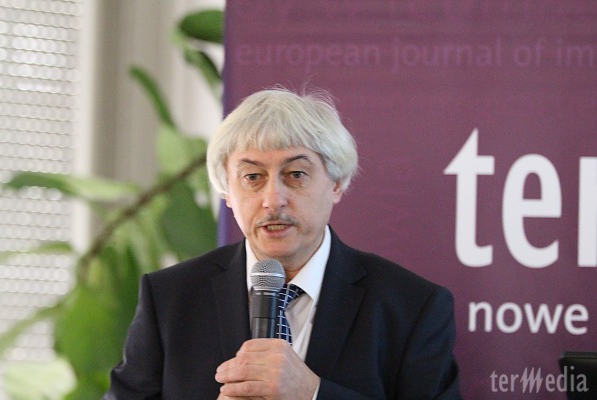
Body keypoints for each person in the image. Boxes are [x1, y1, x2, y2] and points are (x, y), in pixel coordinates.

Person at [104, 87, 462, 399]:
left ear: (337, 183)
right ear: (227, 192)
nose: (273, 199)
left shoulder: (412, 307)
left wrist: (313, 394)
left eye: (295, 175)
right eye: (252, 177)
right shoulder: (170, 298)